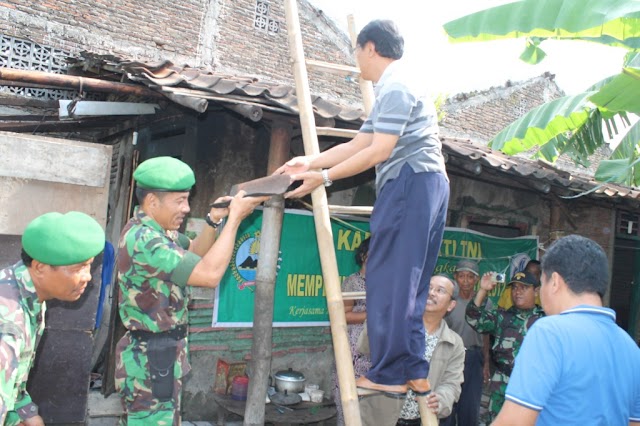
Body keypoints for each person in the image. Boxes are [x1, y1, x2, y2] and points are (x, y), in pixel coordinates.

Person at [275, 19, 449, 396]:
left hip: (408, 182)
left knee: (387, 280)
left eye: (356, 51)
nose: (357, 62)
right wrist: (309, 161)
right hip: (429, 183)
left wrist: (325, 178)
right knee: (413, 284)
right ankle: (414, 370)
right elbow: (359, 143)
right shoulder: (401, 84)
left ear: (370, 47)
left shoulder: (397, 86)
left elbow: (379, 152)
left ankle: (388, 374)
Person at [114, 156, 268, 424]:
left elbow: (194, 253)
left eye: (187, 199)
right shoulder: (146, 241)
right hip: (150, 360)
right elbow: (208, 275)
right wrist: (234, 222)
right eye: (179, 201)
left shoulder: (159, 232)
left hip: (161, 355)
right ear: (152, 202)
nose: (186, 208)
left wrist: (213, 220)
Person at [494, 235, 640, 425]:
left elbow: (513, 422)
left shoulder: (549, 332)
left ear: (554, 281)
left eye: (542, 281)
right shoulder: (631, 349)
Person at [0, 211, 105, 426]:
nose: (88, 277)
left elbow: (15, 381)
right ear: (40, 268)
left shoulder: (26, 292)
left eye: (89, 266)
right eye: (79, 268)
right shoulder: (9, 324)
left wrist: (27, 413)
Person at [358, 275, 464, 425]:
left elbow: (452, 383)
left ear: (451, 305)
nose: (432, 293)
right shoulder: (398, 323)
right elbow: (364, 347)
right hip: (381, 417)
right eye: (428, 287)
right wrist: (380, 316)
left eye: (440, 290)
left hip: (421, 419)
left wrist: (440, 399)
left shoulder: (454, 343)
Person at [466, 270, 544, 422]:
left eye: (524, 287)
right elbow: (473, 318)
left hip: (532, 383)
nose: (517, 292)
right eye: (514, 287)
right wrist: (483, 290)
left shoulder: (545, 320)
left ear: (536, 291)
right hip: (502, 383)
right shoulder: (502, 317)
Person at [333, 237, 371, 425]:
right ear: (364, 255)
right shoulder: (352, 282)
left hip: (375, 351)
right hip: (353, 350)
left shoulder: (386, 283)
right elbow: (344, 315)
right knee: (349, 404)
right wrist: (373, 314)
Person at [443, 259, 485, 425]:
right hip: (451, 357)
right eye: (462, 276)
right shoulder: (449, 303)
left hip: (474, 358)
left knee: (470, 407)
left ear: (477, 279)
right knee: (448, 405)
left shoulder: (485, 303)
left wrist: (486, 362)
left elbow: (486, 335)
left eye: (470, 277)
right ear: (455, 277)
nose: (466, 281)